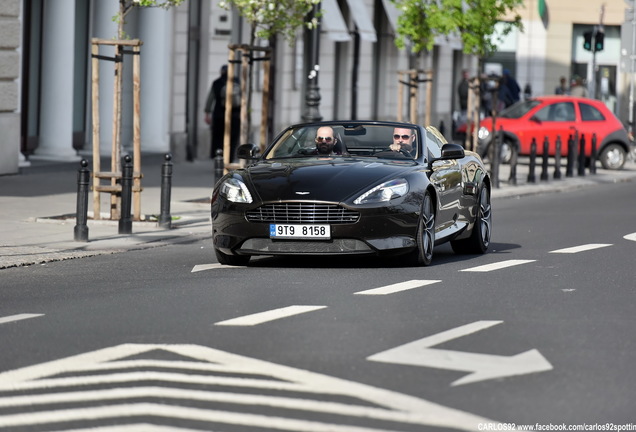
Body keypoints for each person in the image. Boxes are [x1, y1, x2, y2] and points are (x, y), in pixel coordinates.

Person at [204, 65, 241, 160]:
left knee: (218, 138)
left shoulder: (216, 83)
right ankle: (230, 158)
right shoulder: (237, 82)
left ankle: (219, 158)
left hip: (219, 116)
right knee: (232, 138)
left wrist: (207, 113)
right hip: (235, 115)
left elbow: (210, 99)